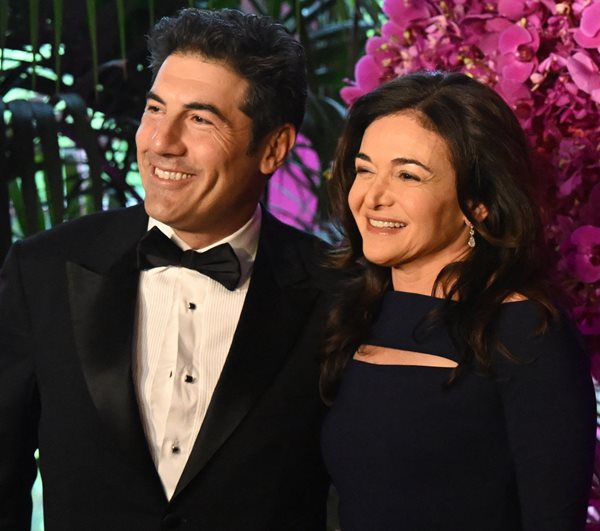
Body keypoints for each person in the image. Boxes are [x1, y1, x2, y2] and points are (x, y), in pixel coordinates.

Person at [0, 8, 331, 531]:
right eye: (155, 110)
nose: (160, 142)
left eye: (200, 119)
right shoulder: (42, 269)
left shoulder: (337, 291)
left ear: (273, 148)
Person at [320, 72, 596, 531]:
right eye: (365, 169)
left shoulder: (525, 330)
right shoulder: (353, 309)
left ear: (478, 202)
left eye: (408, 175)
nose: (372, 197)